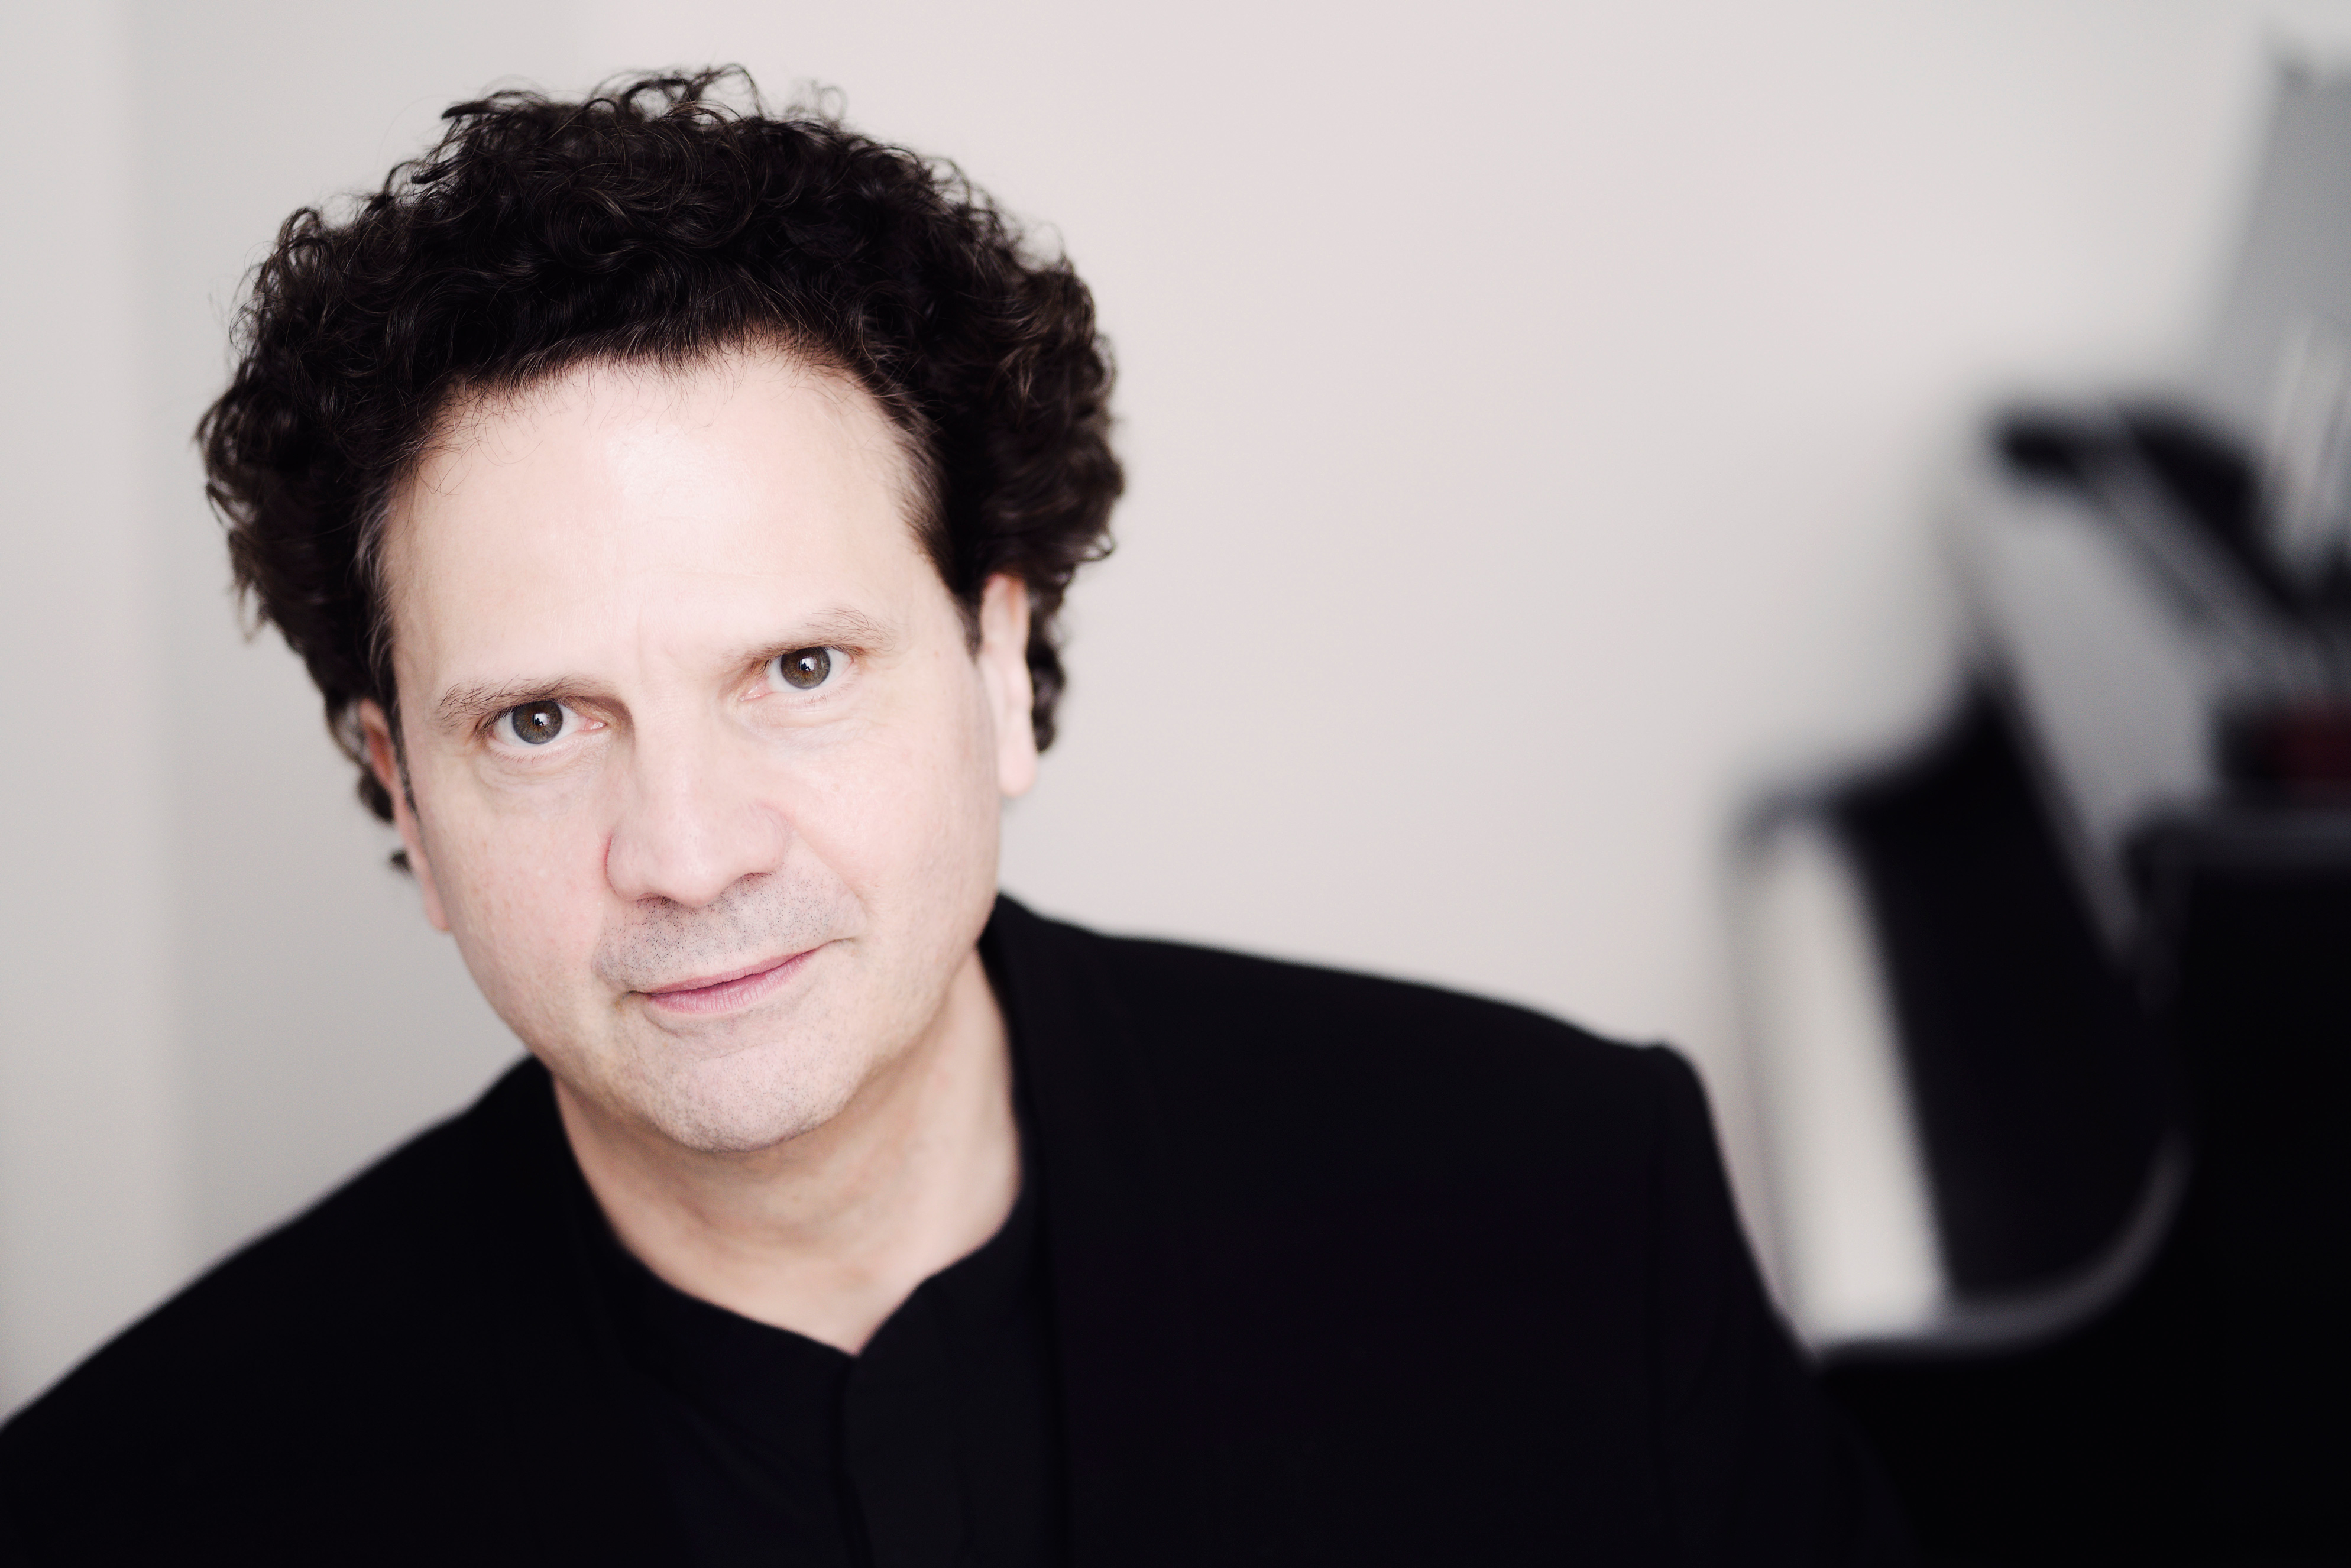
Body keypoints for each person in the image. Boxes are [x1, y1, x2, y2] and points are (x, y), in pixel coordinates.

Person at [0, 71, 1908, 1566]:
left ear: (998, 668)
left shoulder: (1570, 1208)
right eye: (542, 720)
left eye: (798, 669)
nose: (691, 850)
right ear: (402, 795)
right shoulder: (124, 1509)